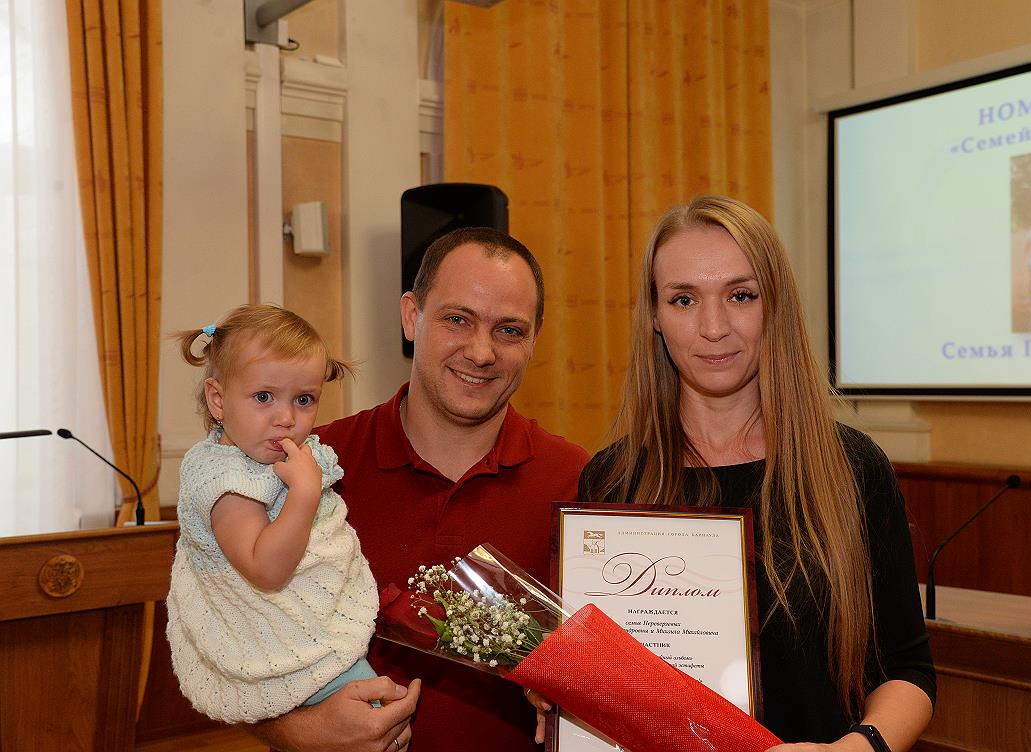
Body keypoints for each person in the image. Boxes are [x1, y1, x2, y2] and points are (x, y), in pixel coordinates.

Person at [579, 196, 935, 750]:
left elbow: (909, 669)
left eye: (740, 295)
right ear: (654, 315)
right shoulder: (611, 481)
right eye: (683, 299)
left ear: (776, 305)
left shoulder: (853, 469)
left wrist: (856, 748)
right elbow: (601, 674)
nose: (713, 327)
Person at [250, 227, 589, 752]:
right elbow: (226, 651)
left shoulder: (577, 480)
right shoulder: (310, 466)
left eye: (509, 330)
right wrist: (307, 732)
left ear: (534, 339)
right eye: (458, 320)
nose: (482, 352)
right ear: (412, 316)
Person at [166, 305, 381, 725]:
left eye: (304, 400)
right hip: (282, 638)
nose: (286, 418)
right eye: (263, 397)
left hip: (319, 618)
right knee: (373, 719)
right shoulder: (227, 482)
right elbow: (266, 569)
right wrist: (304, 492)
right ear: (218, 399)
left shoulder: (274, 454)